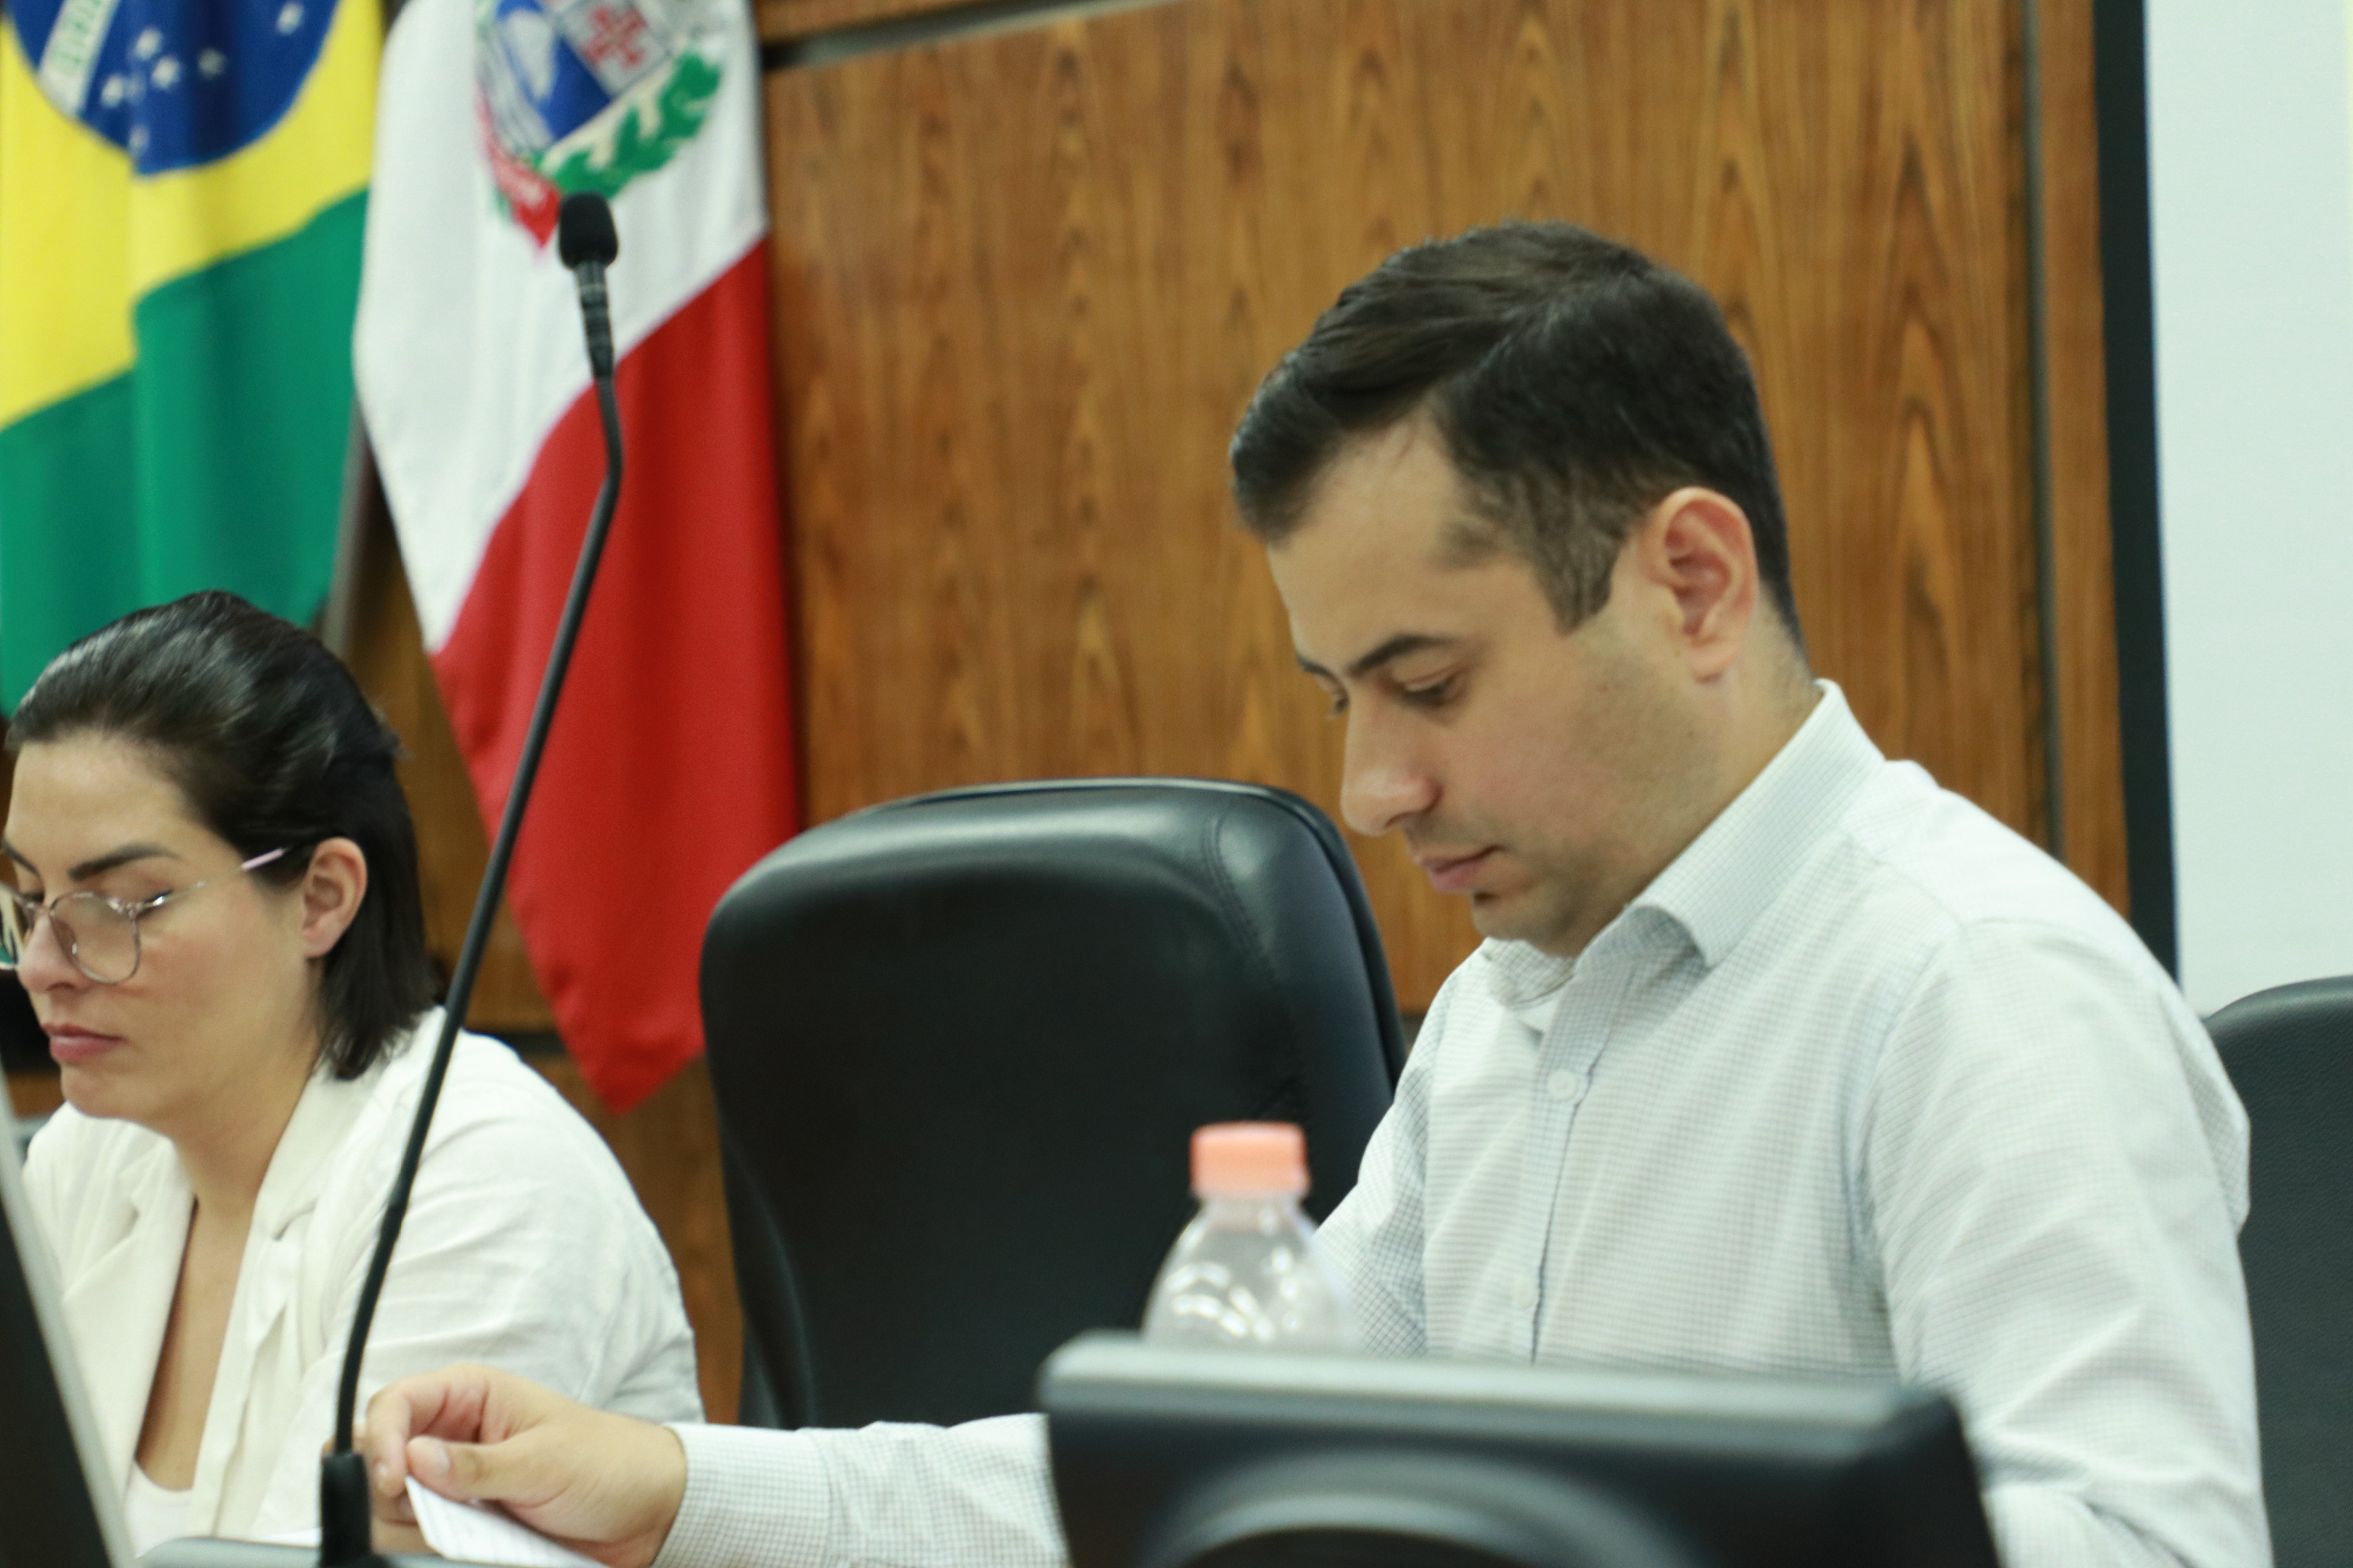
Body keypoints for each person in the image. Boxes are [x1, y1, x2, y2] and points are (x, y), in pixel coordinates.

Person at [358, 224, 2267, 1568]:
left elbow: (2142, 1545)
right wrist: (682, 1485)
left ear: (1692, 581)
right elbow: (1180, 1487)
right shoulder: (1513, 1020)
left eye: (1430, 681)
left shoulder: (1981, 989)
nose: (1373, 790)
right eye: (1346, 700)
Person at [5, 591, 703, 1554]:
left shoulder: (482, 1174)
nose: (42, 966)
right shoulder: (86, 1154)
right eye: (28, 902)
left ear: (322, 898)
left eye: (117, 906)